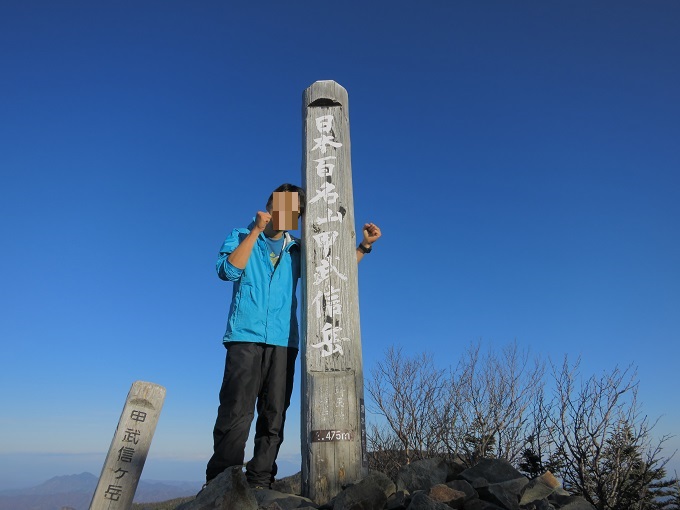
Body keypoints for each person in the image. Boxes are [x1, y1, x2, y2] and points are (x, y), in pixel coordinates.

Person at [206, 183, 381, 489]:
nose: (288, 215)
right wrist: (255, 231)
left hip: (285, 341)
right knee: (235, 413)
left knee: (274, 415)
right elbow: (228, 271)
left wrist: (364, 246)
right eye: (282, 207)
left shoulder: (299, 249)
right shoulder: (241, 235)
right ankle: (222, 483)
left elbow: (334, 274)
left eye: (295, 211)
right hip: (245, 338)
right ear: (269, 206)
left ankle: (260, 482)